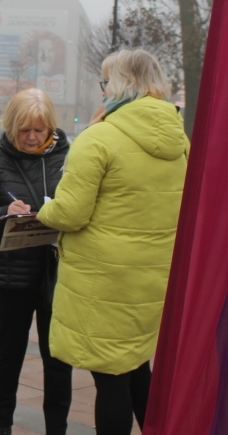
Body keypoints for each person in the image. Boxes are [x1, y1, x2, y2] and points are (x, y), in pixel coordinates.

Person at [37, 49, 188, 435]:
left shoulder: (100, 137)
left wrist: (43, 211)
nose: (102, 91)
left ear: (120, 84)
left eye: (105, 82)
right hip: (151, 277)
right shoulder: (179, 139)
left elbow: (70, 214)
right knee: (136, 365)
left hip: (102, 281)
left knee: (109, 376)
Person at [0, 88, 74, 435]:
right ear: (11, 127)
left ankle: (57, 428)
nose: (31, 137)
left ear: (51, 127)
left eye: (39, 130)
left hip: (57, 273)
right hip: (9, 275)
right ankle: (2, 425)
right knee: (8, 353)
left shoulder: (71, 158)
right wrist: (4, 212)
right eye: (24, 130)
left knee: (58, 358)